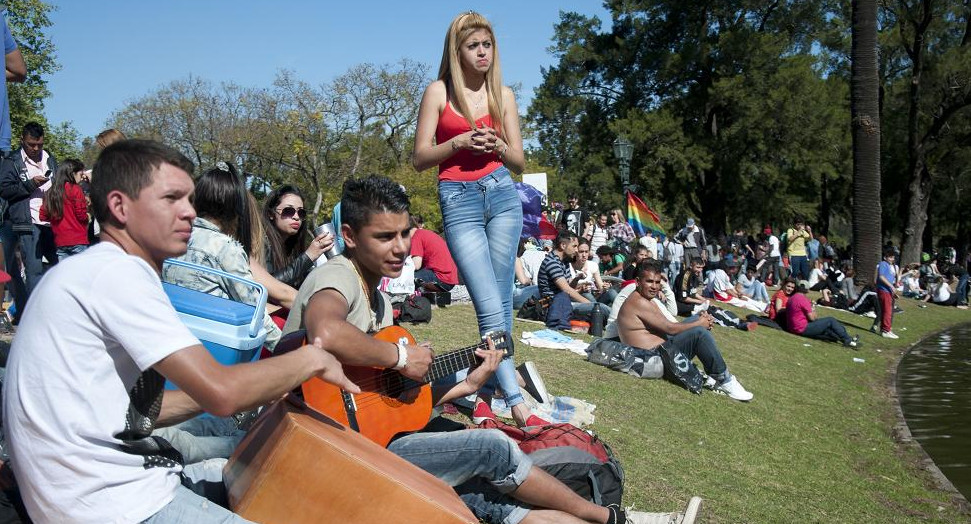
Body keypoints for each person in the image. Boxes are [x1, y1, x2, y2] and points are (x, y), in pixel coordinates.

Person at [283, 175, 700, 524]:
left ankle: (620, 518)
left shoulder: (376, 298)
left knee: (487, 497)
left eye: (405, 233)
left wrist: (467, 386)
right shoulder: (338, 275)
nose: (400, 247)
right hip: (331, 444)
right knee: (493, 447)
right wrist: (401, 357)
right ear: (350, 237)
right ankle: (612, 518)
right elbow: (325, 331)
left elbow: (381, 398)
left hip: (363, 437)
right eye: (385, 236)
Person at [2, 139, 359, 523]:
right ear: (121, 207)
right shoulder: (117, 274)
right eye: (172, 199)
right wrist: (310, 358)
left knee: (270, 466)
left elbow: (128, 411)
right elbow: (223, 392)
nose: (189, 212)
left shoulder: (90, 270)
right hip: (111, 505)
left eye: (190, 199)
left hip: (96, 489)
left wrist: (254, 395)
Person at [412, 11, 541, 428]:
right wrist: (460, 141)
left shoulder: (503, 94)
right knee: (488, 304)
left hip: (502, 192)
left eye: (487, 45)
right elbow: (419, 158)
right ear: (457, 51)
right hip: (458, 197)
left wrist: (498, 145)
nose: (482, 53)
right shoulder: (438, 92)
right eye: (473, 46)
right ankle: (517, 400)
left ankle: (506, 388)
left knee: (502, 299)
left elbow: (520, 161)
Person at [162, 161, 281, 351]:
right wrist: (285, 348)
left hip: (170, 341)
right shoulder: (226, 249)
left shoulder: (171, 238)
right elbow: (254, 311)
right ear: (236, 209)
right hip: (213, 350)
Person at [616, 261, 753, 401]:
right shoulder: (639, 301)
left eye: (657, 282)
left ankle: (712, 376)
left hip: (659, 352)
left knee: (696, 320)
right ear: (638, 281)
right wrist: (699, 324)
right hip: (651, 359)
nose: (654, 287)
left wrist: (699, 320)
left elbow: (668, 325)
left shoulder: (645, 299)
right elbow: (670, 329)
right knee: (699, 333)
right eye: (649, 281)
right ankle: (725, 380)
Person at [0, 122, 57, 320]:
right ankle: (31, 316)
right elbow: (5, 190)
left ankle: (39, 313)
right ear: (22, 141)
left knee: (53, 270)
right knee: (28, 270)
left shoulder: (50, 159)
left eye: (39, 144)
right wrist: (30, 185)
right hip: (24, 220)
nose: (36, 149)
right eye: (31, 144)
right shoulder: (12, 161)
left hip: (50, 222)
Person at [261, 184, 334, 289]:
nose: (296, 217)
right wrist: (308, 256)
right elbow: (268, 286)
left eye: (301, 212)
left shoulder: (293, 246)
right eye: (288, 211)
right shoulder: (262, 242)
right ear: (271, 214)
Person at [538, 231, 610, 334]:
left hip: (564, 302)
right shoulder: (552, 262)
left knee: (598, 302)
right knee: (600, 307)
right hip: (555, 306)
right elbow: (566, 290)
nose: (576, 250)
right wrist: (591, 305)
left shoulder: (564, 262)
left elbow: (568, 286)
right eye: (574, 246)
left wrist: (576, 279)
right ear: (563, 245)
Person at [38, 158, 88, 260]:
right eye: (80, 174)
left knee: (65, 273)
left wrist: (55, 218)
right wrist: (88, 217)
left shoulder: (51, 192)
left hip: (60, 241)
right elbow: (81, 215)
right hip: (78, 239)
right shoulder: (75, 189)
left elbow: (42, 216)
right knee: (82, 273)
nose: (82, 177)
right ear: (72, 173)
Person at [785, 283, 860, 348]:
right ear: (807, 290)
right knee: (830, 320)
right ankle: (848, 339)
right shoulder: (803, 300)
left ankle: (849, 339)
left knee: (828, 327)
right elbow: (813, 318)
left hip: (793, 327)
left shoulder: (792, 298)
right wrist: (813, 307)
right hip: (801, 328)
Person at [410, 214, 459, 292]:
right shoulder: (426, 233)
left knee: (403, 278)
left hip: (440, 278)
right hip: (449, 278)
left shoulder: (416, 236)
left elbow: (416, 265)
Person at [873, 247, 899, 339]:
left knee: (888, 310)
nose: (892, 259)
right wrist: (891, 286)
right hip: (884, 290)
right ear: (885, 257)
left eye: (893, 257)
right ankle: (885, 330)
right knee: (887, 311)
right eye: (890, 257)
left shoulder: (889, 266)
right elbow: (881, 277)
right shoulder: (883, 264)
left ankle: (886, 329)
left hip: (887, 291)